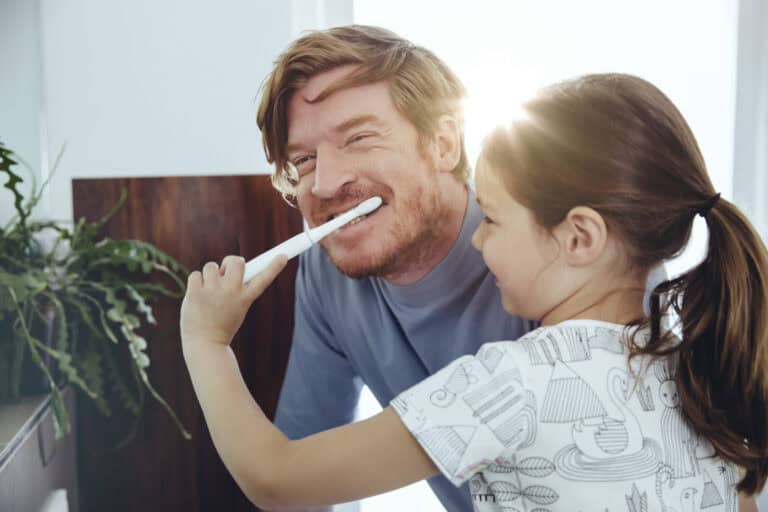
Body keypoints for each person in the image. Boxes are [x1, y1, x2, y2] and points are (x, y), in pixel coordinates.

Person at [180, 72, 767, 510]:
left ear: (580, 237)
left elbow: (278, 478)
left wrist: (207, 343)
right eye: (303, 159)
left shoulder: (509, 382)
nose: (479, 243)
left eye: (493, 220)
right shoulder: (699, 368)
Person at [255, 24, 536, 511]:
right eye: (303, 159)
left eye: (360, 137)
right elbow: (302, 482)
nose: (324, 183)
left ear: (443, 143)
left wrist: (205, 343)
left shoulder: (552, 249)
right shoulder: (328, 274)